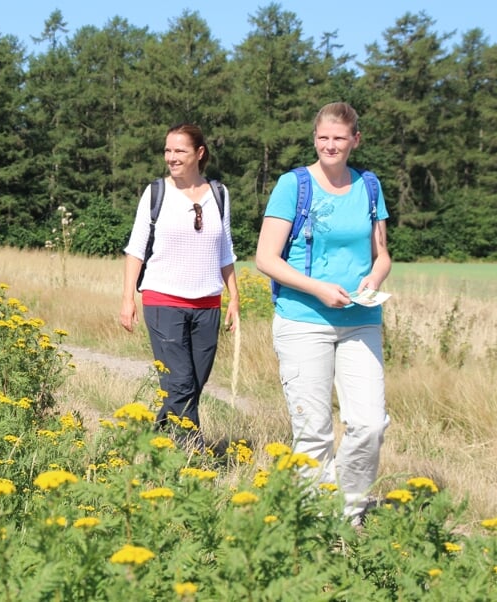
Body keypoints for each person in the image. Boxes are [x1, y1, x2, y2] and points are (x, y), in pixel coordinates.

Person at [254, 102, 391, 524]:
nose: (330, 145)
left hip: (360, 322)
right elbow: (265, 258)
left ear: (355, 140)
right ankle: (311, 519)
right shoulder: (293, 185)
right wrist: (317, 288)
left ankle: (349, 511)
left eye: (339, 138)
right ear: (315, 138)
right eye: (323, 137)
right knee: (313, 431)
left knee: (369, 424)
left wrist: (373, 280)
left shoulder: (369, 186)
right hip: (303, 321)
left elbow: (381, 254)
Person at [119, 123, 240, 451]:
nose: (171, 157)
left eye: (179, 151)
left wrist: (234, 297)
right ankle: (192, 457)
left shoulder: (220, 194)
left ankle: (154, 438)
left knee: (192, 385)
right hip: (163, 302)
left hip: (207, 305)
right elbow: (135, 248)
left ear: (199, 154)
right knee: (181, 383)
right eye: (168, 150)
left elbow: (225, 249)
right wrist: (128, 298)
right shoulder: (156, 193)